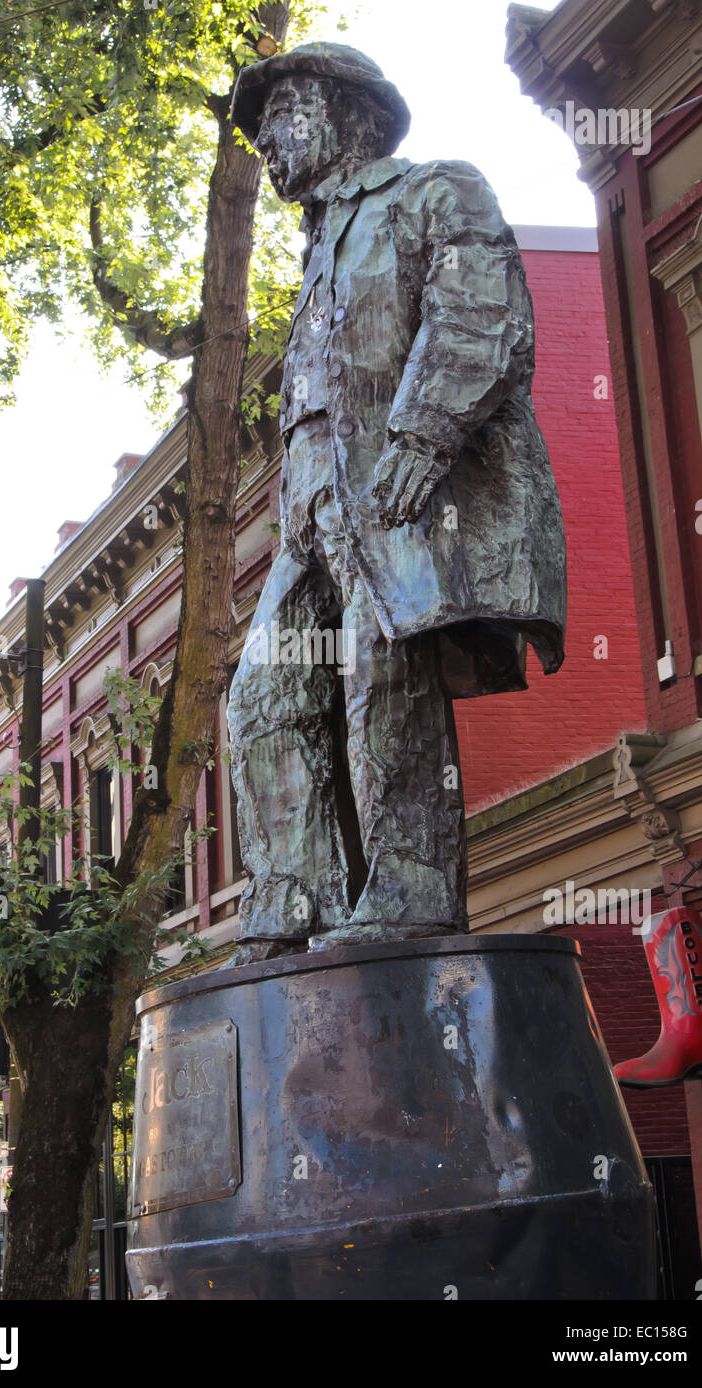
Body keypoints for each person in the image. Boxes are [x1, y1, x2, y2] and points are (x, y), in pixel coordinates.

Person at [226, 44, 566, 963]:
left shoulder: (433, 190)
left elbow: (481, 313)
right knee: (262, 695)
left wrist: (423, 435)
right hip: (307, 513)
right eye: (261, 134)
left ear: (352, 113)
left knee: (386, 681)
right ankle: (293, 898)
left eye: (285, 116)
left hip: (392, 493)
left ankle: (410, 893)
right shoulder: (311, 259)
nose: (271, 144)